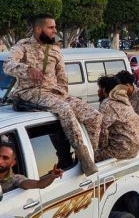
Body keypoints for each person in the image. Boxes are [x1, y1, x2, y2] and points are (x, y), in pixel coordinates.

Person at [3, 14, 101, 176]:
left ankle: (90, 153)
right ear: (38, 29)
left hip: (54, 93)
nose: (55, 30)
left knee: (94, 116)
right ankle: (83, 158)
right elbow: (8, 65)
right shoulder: (23, 46)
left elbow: (62, 78)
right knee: (64, 109)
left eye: (55, 27)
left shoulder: (55, 49)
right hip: (29, 93)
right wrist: (27, 69)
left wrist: (63, 94)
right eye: (51, 27)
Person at [95, 76, 139, 161]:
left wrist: (98, 146)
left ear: (104, 89)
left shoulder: (107, 103)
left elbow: (101, 131)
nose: (97, 91)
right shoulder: (124, 100)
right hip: (134, 150)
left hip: (120, 151)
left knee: (88, 156)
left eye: (99, 88)